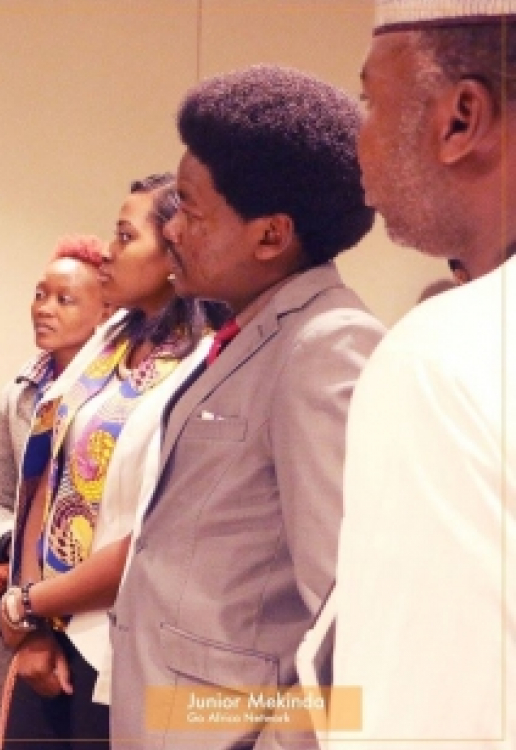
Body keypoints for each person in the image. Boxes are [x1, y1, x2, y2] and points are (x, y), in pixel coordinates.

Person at [108, 66, 386, 749]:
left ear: (270, 236)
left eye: (192, 211)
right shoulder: (241, 328)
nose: (171, 230)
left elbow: (345, 616)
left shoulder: (325, 344)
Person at [333, 2, 516, 745]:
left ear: (461, 118)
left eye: (372, 102)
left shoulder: (443, 357)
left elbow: (420, 721)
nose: (360, 141)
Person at [0, 176, 224, 749]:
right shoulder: (113, 336)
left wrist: (30, 601)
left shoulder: (209, 356)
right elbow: (44, 466)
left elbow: (157, 527)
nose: (108, 252)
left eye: (125, 236)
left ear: (175, 247)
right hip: (49, 626)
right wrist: (33, 623)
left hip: (126, 637)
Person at [0, 233, 109, 747]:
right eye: (39, 294)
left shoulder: (118, 394)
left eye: (65, 299)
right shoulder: (21, 391)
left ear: (104, 310)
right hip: (23, 596)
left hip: (91, 605)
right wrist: (12, 548)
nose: (43, 309)